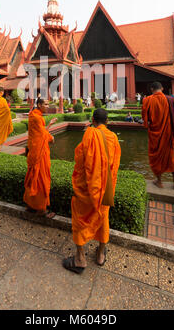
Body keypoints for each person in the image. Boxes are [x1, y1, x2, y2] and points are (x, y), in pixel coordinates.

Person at [62, 108, 121, 274]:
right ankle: (101, 254)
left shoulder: (89, 134)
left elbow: (81, 159)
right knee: (103, 218)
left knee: (80, 219)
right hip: (105, 190)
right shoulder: (114, 138)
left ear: (93, 120)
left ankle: (80, 259)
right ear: (107, 121)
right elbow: (114, 166)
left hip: (87, 190)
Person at [142, 81, 174, 190]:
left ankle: (159, 181)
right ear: (162, 88)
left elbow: (145, 119)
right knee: (172, 156)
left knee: (155, 157)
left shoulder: (147, 100)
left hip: (154, 135)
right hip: (168, 135)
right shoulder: (171, 100)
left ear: (152, 89)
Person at [23, 98, 57, 217]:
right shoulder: (38, 117)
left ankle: (30, 205)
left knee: (33, 177)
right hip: (39, 153)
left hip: (34, 150)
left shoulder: (33, 115)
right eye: (45, 104)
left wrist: (49, 125)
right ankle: (41, 209)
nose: (47, 106)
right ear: (39, 105)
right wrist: (51, 138)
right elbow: (43, 135)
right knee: (41, 179)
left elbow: (40, 133)